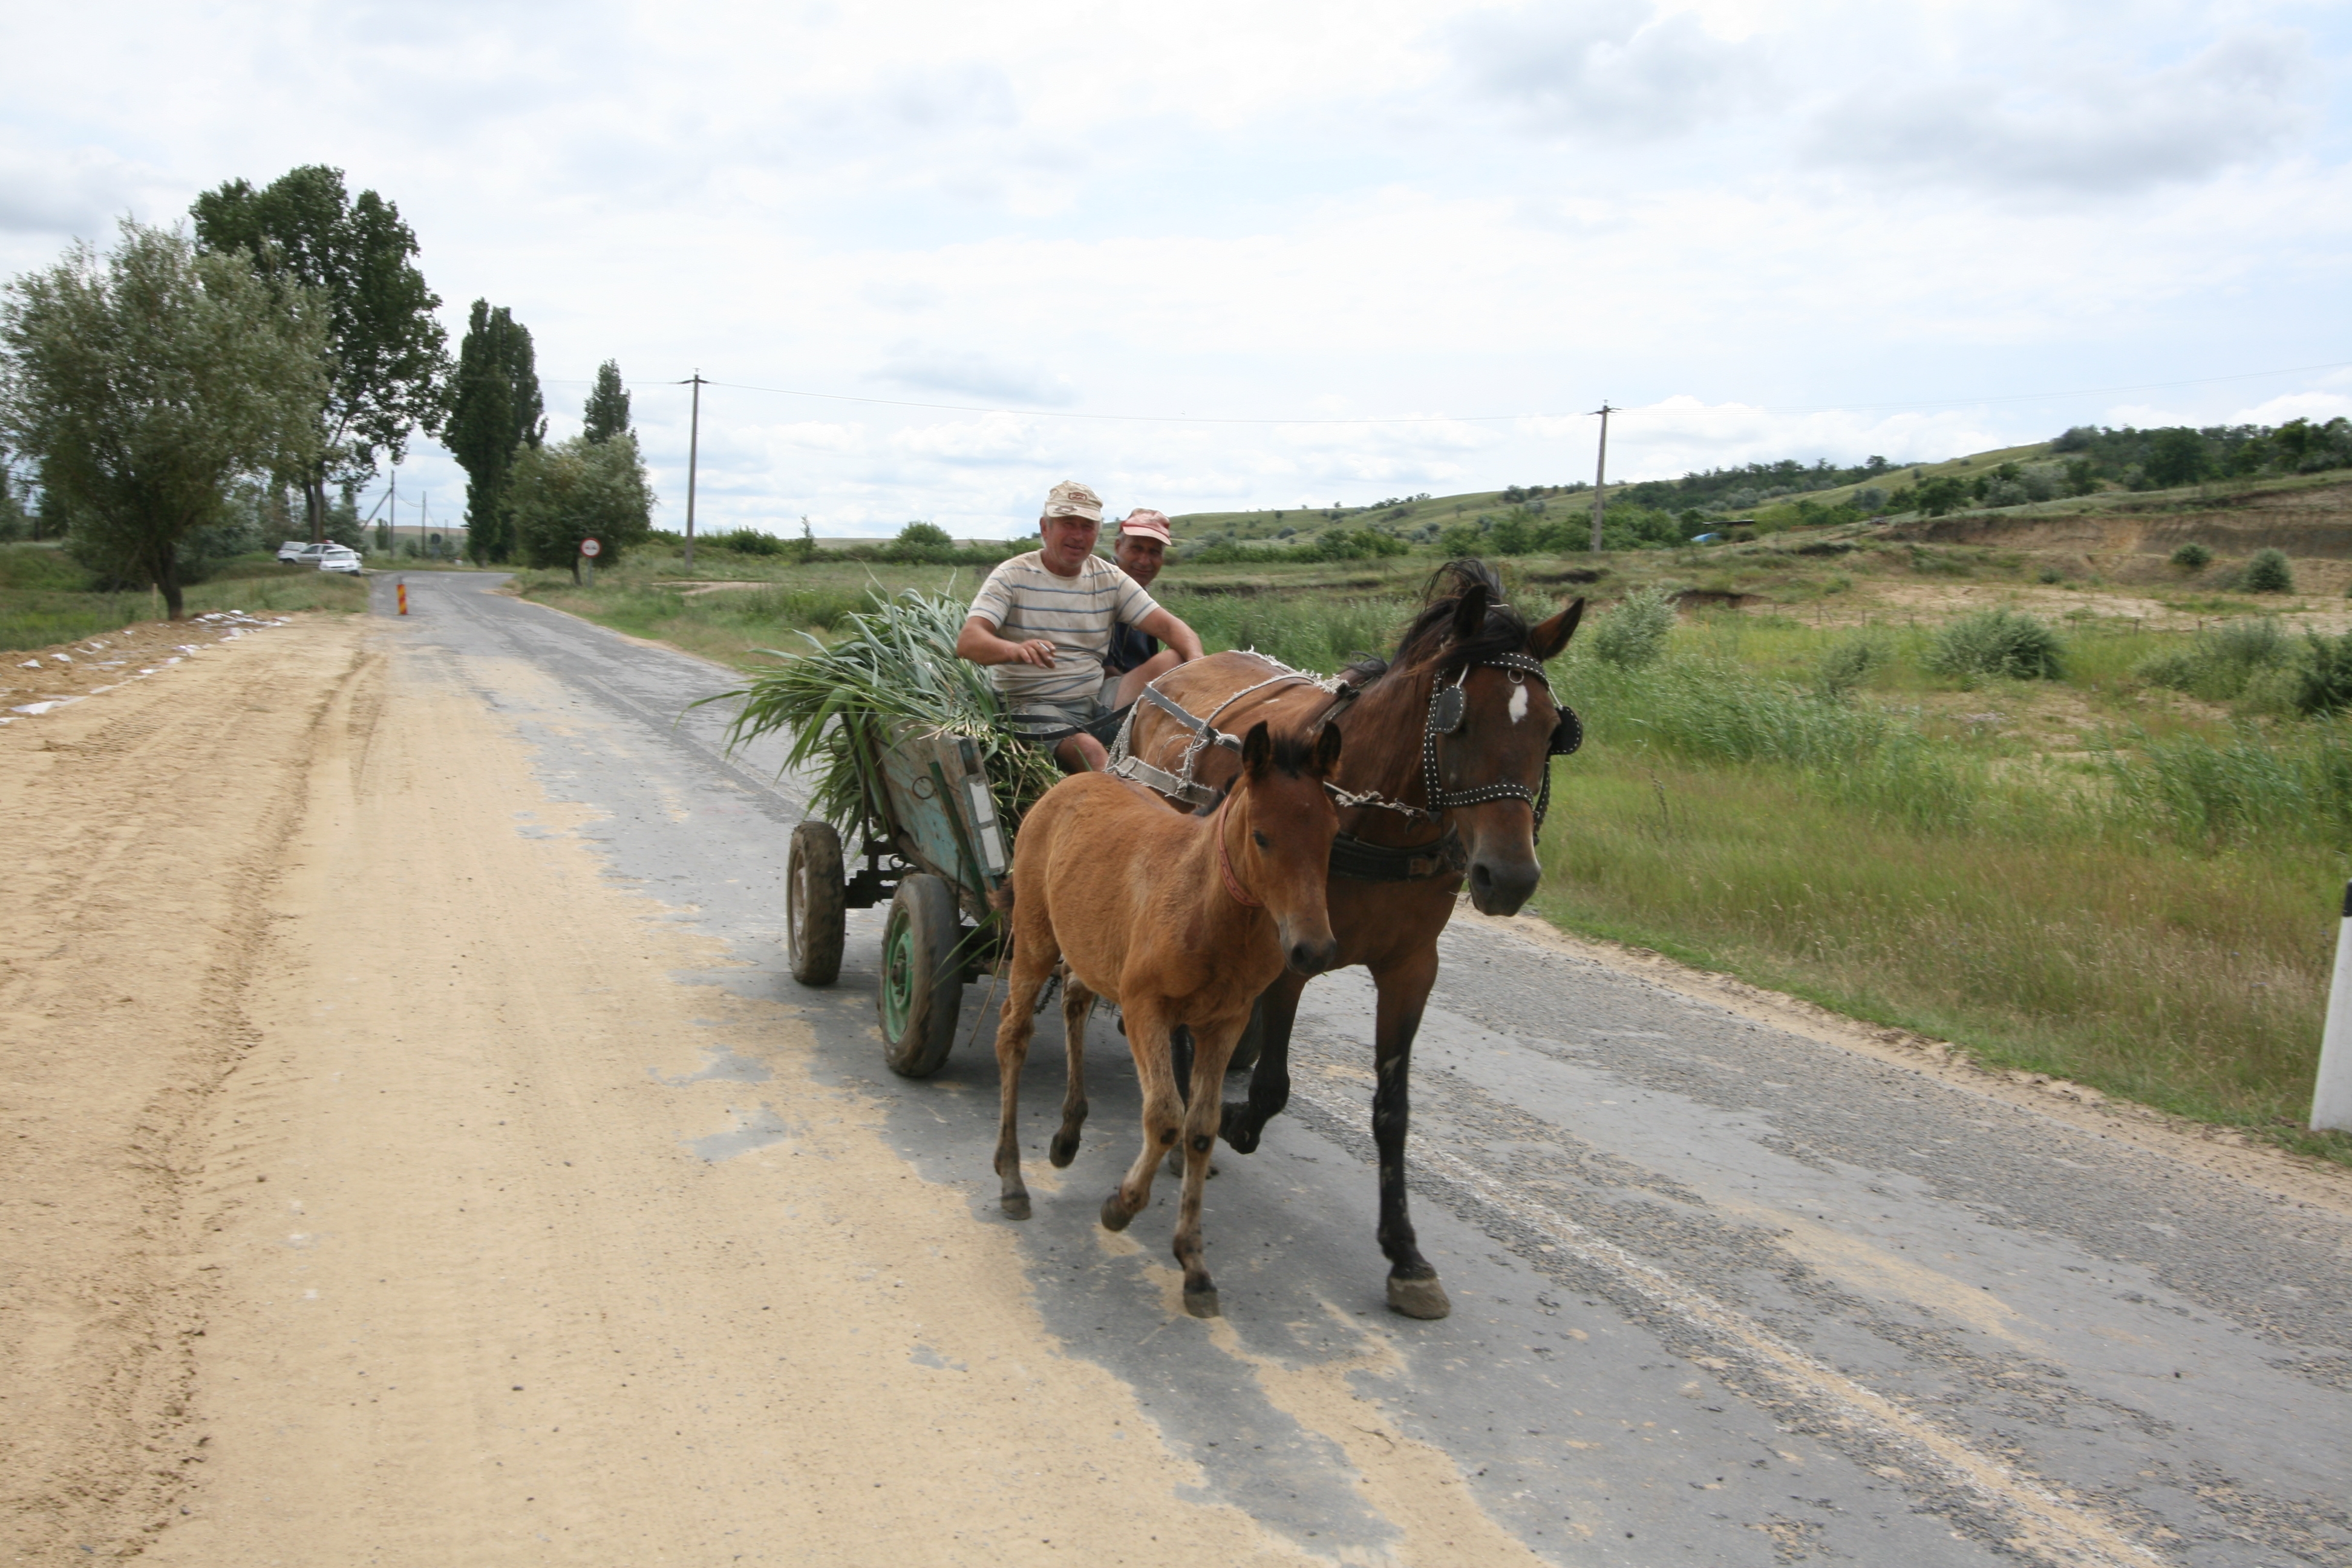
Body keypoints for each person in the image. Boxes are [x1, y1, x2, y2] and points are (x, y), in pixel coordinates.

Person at [956, 481, 1203, 773]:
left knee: (1174, 659)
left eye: (1087, 526)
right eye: (1067, 524)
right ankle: (1123, 808)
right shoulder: (1012, 575)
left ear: (1097, 532)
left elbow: (1172, 627)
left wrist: (1201, 667)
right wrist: (1015, 650)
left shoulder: (1109, 577)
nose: (1077, 535)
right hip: (1032, 704)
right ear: (1045, 528)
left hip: (1096, 700)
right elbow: (969, 642)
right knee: (1090, 751)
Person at [1102, 508, 1182, 702]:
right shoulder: (1102, 586)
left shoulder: (1138, 591)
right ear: (1118, 546)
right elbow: (1102, 668)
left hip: (1132, 689)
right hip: (1101, 698)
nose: (1144, 561)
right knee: (1173, 660)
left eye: (1154, 552)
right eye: (1136, 549)